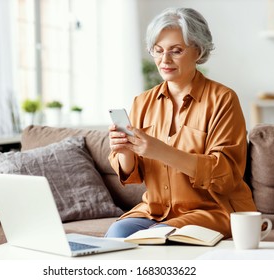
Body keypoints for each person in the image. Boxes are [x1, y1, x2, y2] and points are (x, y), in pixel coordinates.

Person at [105, 7, 256, 238]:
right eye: (158, 51)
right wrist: (124, 150)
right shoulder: (142, 102)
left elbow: (225, 175)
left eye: (176, 51)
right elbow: (132, 175)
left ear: (198, 50)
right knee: (117, 233)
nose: (164, 60)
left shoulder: (223, 99)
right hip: (155, 210)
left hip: (212, 210)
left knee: (159, 237)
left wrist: (161, 151)